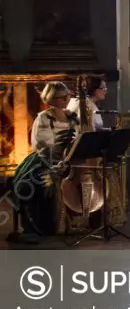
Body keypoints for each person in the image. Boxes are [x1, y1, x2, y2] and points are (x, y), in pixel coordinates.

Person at [8, 82, 78, 240]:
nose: (67, 99)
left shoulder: (72, 116)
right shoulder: (43, 118)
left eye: (68, 96)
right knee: (30, 184)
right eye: (63, 97)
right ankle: (37, 226)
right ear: (52, 99)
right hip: (46, 159)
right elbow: (40, 144)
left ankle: (73, 220)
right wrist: (58, 145)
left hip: (69, 159)